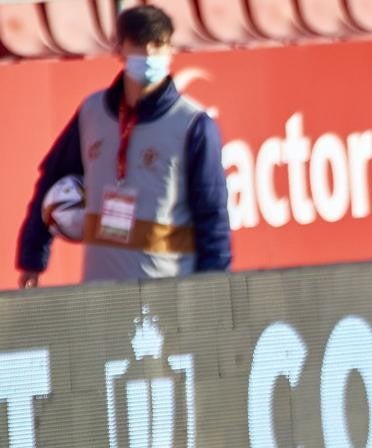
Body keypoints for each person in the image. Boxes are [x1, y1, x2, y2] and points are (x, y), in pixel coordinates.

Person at [15, 5, 230, 287]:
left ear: (171, 50)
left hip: (166, 288)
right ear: (120, 49)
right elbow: (50, 180)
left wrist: (214, 288)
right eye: (140, 45)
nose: (151, 54)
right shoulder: (92, 113)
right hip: (99, 288)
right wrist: (33, 258)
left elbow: (212, 214)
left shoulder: (193, 124)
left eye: (159, 45)